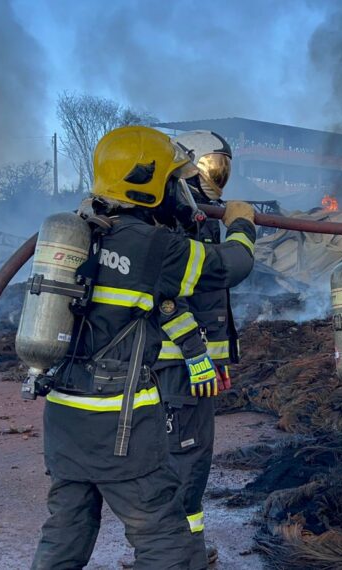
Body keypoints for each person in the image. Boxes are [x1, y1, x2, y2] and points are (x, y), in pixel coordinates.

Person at [31, 125, 257, 569]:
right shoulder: (154, 246)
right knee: (168, 543)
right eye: (173, 180)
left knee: (64, 537)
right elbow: (232, 266)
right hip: (120, 425)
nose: (179, 188)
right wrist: (241, 222)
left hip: (64, 419)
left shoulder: (77, 231)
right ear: (151, 183)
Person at [152, 130, 244, 568]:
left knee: (192, 465)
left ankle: (184, 551)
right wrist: (195, 353)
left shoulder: (196, 212)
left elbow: (207, 299)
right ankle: (174, 555)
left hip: (193, 368)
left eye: (224, 162)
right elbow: (170, 294)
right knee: (183, 467)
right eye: (214, 161)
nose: (220, 171)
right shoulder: (176, 212)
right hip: (177, 369)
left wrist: (217, 358)